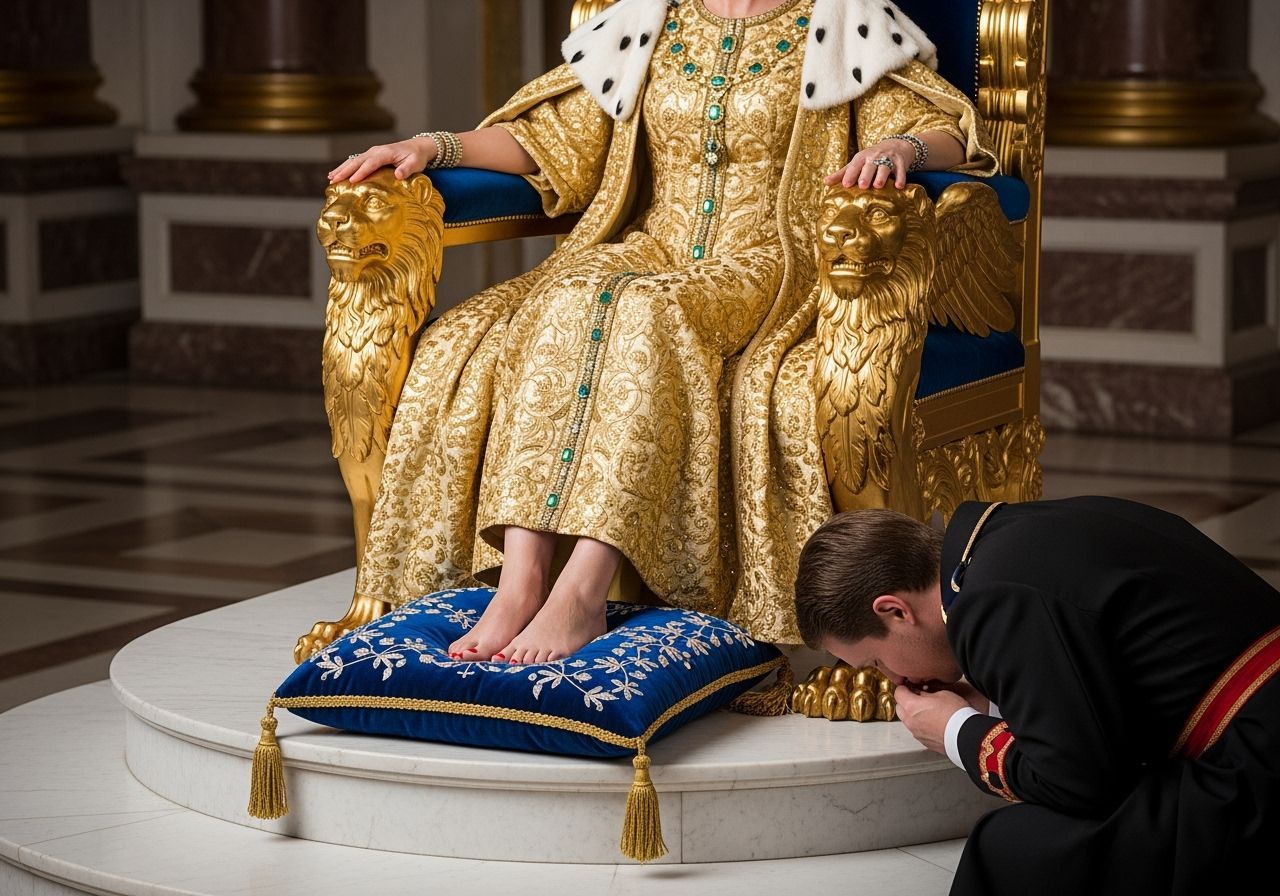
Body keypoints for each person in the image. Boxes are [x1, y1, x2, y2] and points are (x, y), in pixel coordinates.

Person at [325, 0, 999, 665]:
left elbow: (948, 129)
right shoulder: (650, 19)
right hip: (651, 245)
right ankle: (520, 581)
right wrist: (430, 146)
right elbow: (549, 139)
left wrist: (901, 148)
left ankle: (583, 590)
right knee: (565, 292)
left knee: (646, 309)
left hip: (767, 260)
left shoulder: (843, 22)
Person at [792, 495, 1280, 894]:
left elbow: (1080, 784)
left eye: (876, 663)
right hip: (1259, 721)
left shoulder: (991, 599)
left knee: (1011, 847)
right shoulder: (1002, 541)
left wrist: (958, 732)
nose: (893, 680)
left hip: (1254, 771)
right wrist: (990, 702)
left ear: (895, 611)